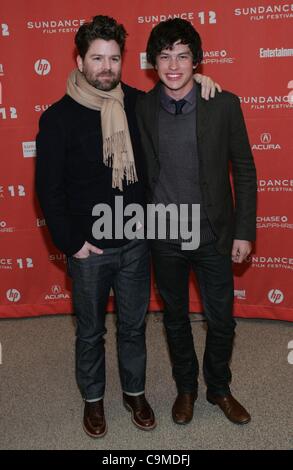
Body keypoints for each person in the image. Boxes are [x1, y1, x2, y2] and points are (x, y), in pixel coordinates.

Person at [35, 15, 219, 438]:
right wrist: (73, 243)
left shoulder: (138, 103)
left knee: (134, 326)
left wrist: (206, 86)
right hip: (89, 250)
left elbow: (182, 96)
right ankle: (94, 400)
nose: (106, 67)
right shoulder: (58, 118)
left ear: (122, 61)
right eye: (97, 58)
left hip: (136, 242)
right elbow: (48, 190)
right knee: (91, 331)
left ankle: (134, 392)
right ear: (80, 61)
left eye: (113, 58)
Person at [136, 18, 257, 426]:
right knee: (174, 318)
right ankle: (186, 387)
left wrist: (244, 230)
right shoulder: (140, 106)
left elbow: (243, 170)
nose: (174, 65)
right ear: (153, 61)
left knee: (222, 319)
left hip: (212, 233)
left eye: (183, 56)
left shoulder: (222, 103)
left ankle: (218, 387)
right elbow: (98, 89)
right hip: (164, 236)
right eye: (165, 56)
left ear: (196, 61)